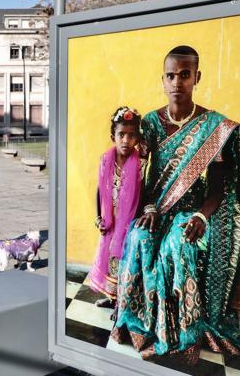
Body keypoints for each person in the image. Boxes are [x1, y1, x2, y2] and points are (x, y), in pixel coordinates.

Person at [111, 46, 240, 363]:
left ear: (196, 78)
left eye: (185, 75)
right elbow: (136, 180)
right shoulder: (148, 123)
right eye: (171, 75)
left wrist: (202, 215)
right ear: (163, 80)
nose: (178, 82)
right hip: (156, 210)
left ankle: (182, 337)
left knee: (177, 244)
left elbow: (219, 188)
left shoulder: (213, 128)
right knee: (139, 238)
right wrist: (147, 208)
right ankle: (137, 327)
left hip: (192, 213)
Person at [89, 107, 143, 319]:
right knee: (109, 261)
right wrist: (99, 217)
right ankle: (111, 297)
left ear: (136, 138)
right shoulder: (106, 160)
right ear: (114, 136)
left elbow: (142, 196)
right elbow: (100, 190)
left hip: (128, 224)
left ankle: (122, 304)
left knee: (123, 263)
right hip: (110, 222)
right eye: (121, 135)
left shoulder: (140, 165)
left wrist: (132, 224)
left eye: (131, 136)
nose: (125, 140)